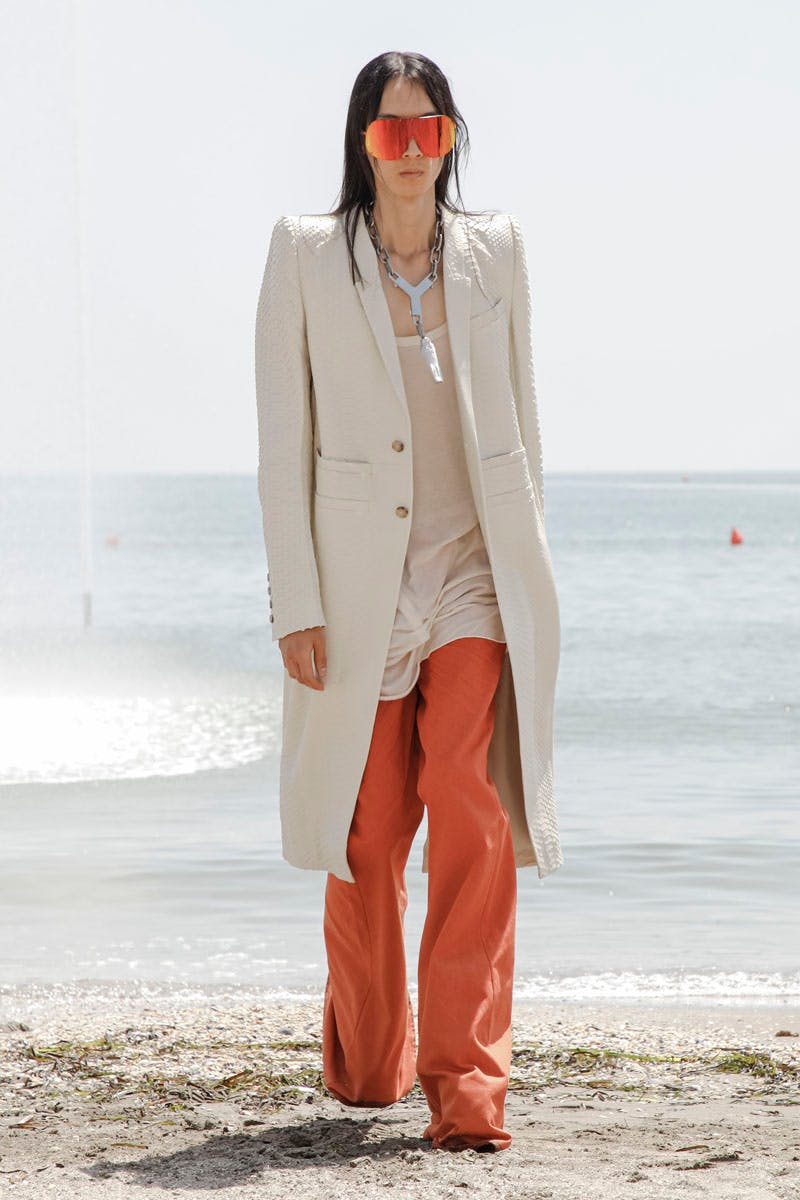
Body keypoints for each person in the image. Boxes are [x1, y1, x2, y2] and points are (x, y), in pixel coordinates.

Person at [254, 50, 562, 1153]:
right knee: (371, 829)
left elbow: (522, 424)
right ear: (363, 144)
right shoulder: (304, 255)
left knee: (470, 808)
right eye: (393, 133)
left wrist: (529, 579)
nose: (412, 152)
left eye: (430, 130)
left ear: (449, 139)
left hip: (473, 572)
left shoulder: (495, 251)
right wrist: (295, 599)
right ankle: (370, 1054)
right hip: (358, 588)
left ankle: (467, 1087)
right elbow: (281, 445)